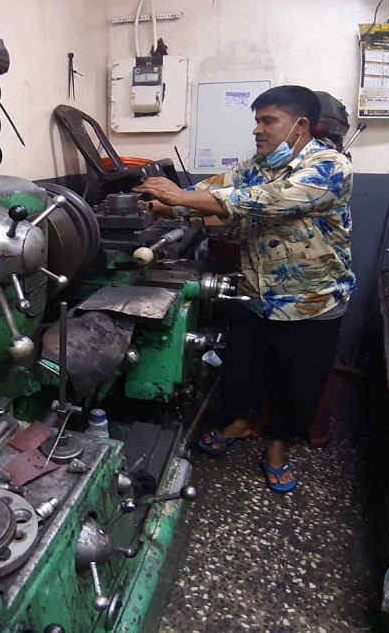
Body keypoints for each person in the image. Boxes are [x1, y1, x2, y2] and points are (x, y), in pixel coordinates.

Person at [134, 85, 355, 493]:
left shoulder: (329, 166)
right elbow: (210, 192)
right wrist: (154, 204)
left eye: (268, 121)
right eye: (256, 121)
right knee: (242, 368)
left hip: (311, 301)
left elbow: (266, 201)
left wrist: (179, 196)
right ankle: (238, 422)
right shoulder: (254, 166)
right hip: (256, 294)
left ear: (300, 125)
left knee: (299, 381)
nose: (257, 129)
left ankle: (278, 445)